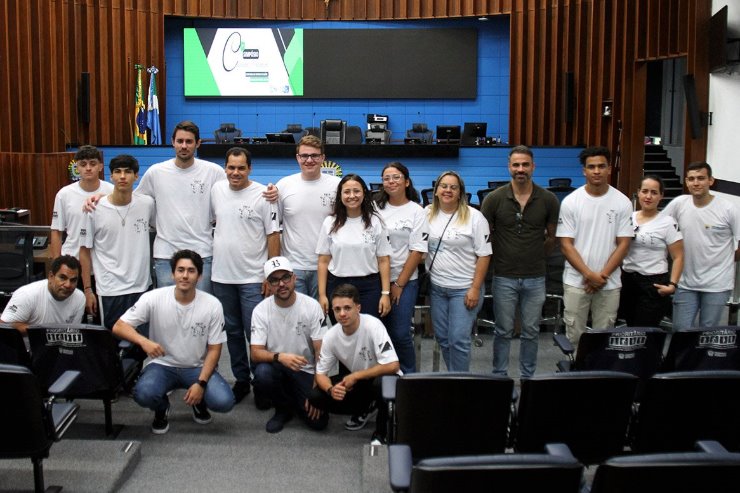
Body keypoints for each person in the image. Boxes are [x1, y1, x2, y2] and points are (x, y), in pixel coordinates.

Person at [86, 121, 224, 293]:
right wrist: (103, 197)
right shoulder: (156, 172)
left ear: (198, 143)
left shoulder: (214, 172)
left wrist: (267, 191)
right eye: (180, 141)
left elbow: (233, 194)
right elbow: (132, 197)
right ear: (172, 142)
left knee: (200, 310)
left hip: (202, 253)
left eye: (189, 142)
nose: (184, 146)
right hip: (166, 255)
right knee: (166, 311)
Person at [112, 250, 234, 434]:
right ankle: (161, 408)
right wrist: (143, 341)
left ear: (200, 276)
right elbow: (119, 326)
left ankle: (198, 402)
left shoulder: (212, 305)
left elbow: (215, 349)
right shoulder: (153, 298)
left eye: (191, 271)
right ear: (172, 273)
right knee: (143, 394)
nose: (185, 275)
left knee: (224, 402)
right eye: (180, 270)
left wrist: (201, 384)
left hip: (196, 367)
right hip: (162, 365)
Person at [480, 146, 560, 377]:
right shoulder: (494, 199)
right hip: (504, 275)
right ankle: (500, 376)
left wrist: (533, 255)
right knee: (503, 330)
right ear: (509, 167)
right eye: (516, 165)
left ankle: (528, 377)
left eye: (525, 164)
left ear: (533, 167)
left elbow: (552, 237)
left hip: (536, 277)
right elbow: (485, 237)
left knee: (531, 331)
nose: (521, 169)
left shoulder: (548, 199)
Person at [210, 147, 280, 403]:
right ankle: (241, 381)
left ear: (250, 168)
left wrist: (270, 275)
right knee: (233, 333)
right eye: (231, 167)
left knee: (257, 334)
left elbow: (274, 235)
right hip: (222, 277)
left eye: (241, 168)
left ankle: (263, 383)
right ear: (225, 168)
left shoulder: (264, 195)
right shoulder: (216, 190)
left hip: (253, 278)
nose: (235, 172)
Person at [556, 146, 634, 344]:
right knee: (574, 336)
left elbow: (624, 244)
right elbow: (566, 244)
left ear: (609, 169)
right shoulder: (571, 202)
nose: (597, 171)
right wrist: (589, 275)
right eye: (591, 167)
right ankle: (576, 374)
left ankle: (600, 375)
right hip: (576, 281)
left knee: (605, 337)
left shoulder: (623, 202)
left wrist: (602, 276)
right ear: (584, 171)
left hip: (609, 282)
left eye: (601, 166)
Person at [309, 284, 400, 444]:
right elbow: (320, 374)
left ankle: (381, 433)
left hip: (382, 379)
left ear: (358, 308)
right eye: (337, 309)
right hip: (359, 383)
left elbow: (393, 365)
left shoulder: (373, 325)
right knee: (315, 396)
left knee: (381, 383)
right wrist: (331, 390)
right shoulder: (331, 336)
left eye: (347, 308)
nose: (342, 314)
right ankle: (367, 407)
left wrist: (356, 375)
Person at [250, 256, 329, 433]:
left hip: (305, 369)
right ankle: (283, 408)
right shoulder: (261, 310)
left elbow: (320, 350)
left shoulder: (312, 306)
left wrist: (317, 387)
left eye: (285, 277)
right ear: (268, 285)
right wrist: (280, 357)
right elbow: (255, 353)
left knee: (319, 423)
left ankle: (296, 400)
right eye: (274, 280)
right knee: (262, 374)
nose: (281, 284)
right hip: (277, 367)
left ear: (294, 278)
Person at [79, 154, 155, 330]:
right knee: (112, 344)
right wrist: (88, 290)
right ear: (110, 176)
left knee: (139, 346)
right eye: (117, 172)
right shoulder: (93, 209)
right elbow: (84, 250)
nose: (122, 176)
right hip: (110, 290)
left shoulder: (147, 204)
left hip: (141, 287)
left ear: (136, 176)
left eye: (128, 172)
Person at [425, 170, 491, 372]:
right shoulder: (426, 214)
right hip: (437, 288)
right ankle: (454, 378)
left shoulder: (475, 217)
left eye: (453, 187)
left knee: (458, 340)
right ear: (436, 191)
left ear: (461, 192)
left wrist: (475, 288)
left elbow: (484, 255)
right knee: (443, 339)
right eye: (444, 186)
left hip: (465, 289)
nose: (448, 190)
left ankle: (461, 386)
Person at [661, 162, 740, 329]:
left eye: (701, 178)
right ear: (686, 182)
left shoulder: (728, 209)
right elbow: (659, 227)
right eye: (691, 179)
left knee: (706, 334)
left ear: (710, 181)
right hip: (685, 283)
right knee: (681, 332)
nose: (696, 183)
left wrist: (726, 259)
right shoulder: (679, 203)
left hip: (717, 285)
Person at [264, 135, 340, 298]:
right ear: (298, 158)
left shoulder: (337, 185)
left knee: (320, 317)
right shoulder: (284, 185)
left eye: (314, 155)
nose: (309, 160)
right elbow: (274, 228)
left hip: (327, 266)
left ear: (322, 158)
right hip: (293, 267)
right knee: (295, 317)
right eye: (304, 156)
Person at [374, 162, 427, 374]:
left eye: (396, 177)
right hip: (375, 279)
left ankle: (408, 376)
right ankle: (381, 378)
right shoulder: (375, 208)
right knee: (378, 334)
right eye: (386, 178)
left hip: (403, 281)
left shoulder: (416, 211)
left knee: (400, 333)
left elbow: (417, 252)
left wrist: (398, 284)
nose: (391, 181)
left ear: (406, 181)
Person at [316, 174, 392, 322]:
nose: (352, 196)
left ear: (364, 192)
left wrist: (385, 293)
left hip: (369, 287)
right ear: (340, 195)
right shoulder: (330, 222)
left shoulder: (376, 221)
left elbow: (383, 260)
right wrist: (322, 295)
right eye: (346, 192)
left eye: (356, 191)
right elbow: (323, 261)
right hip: (337, 286)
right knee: (343, 332)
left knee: (368, 331)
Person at [618, 175, 683, 327]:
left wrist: (673, 284)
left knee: (646, 331)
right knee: (630, 327)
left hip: (653, 283)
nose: (648, 196)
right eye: (645, 191)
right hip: (628, 279)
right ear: (638, 193)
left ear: (661, 196)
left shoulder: (668, 223)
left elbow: (678, 256)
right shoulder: (628, 218)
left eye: (654, 192)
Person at [50, 145, 113, 259]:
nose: (88, 168)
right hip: (72, 261)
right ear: (77, 167)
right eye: (83, 164)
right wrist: (56, 265)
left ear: (101, 166)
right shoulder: (64, 194)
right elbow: (56, 231)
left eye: (93, 164)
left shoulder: (112, 192)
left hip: (104, 263)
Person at [1, 255, 85, 334]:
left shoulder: (79, 298)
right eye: (62, 278)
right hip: (26, 347)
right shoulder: (27, 294)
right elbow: (4, 326)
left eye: (73, 280)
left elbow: (73, 334)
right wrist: (42, 335)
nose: (68, 285)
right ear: (51, 276)